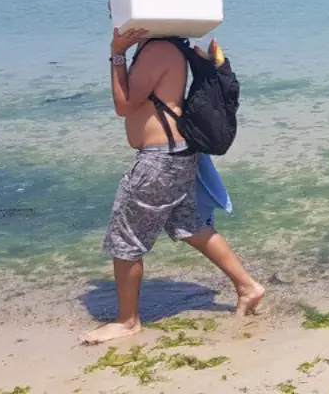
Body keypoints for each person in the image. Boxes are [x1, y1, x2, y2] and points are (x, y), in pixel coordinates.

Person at [80, 27, 264, 345]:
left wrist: (117, 53)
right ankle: (248, 287)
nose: (115, 17)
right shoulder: (165, 47)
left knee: (125, 239)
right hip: (175, 155)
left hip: (159, 160)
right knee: (190, 226)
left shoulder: (158, 50)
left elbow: (124, 105)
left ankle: (128, 321)